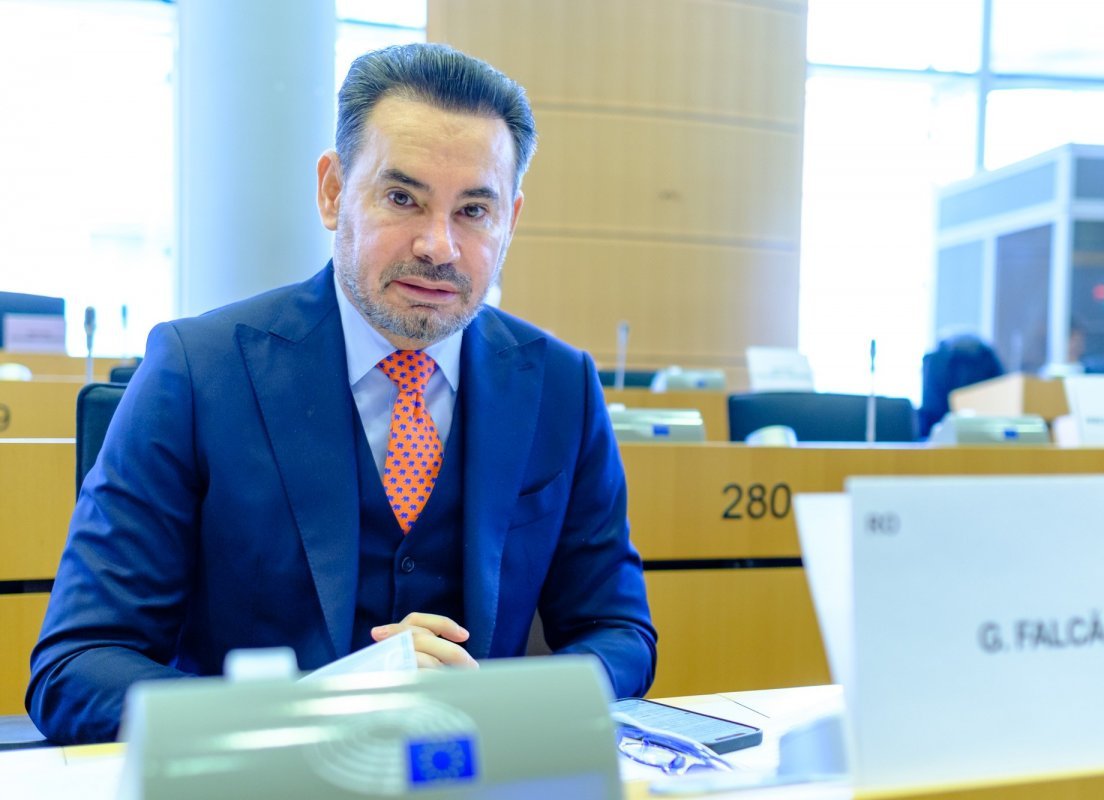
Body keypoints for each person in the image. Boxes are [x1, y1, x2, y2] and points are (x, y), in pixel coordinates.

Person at [27, 43, 657, 744]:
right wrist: (316, 711)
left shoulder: (562, 386)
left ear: (510, 218)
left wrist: (501, 705)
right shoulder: (197, 371)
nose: (438, 246)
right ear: (332, 191)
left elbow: (619, 632)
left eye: (474, 211)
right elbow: (75, 667)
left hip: (468, 773)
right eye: (402, 198)